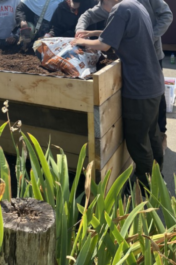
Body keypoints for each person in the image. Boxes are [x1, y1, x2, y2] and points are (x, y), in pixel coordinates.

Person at [71, 0, 165, 191]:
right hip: (153, 83)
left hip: (138, 89)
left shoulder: (121, 9)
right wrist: (91, 33)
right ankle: (158, 178)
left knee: (137, 141)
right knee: (152, 133)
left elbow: (105, 45)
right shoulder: (135, 5)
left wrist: (80, 41)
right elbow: (121, 32)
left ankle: (145, 189)